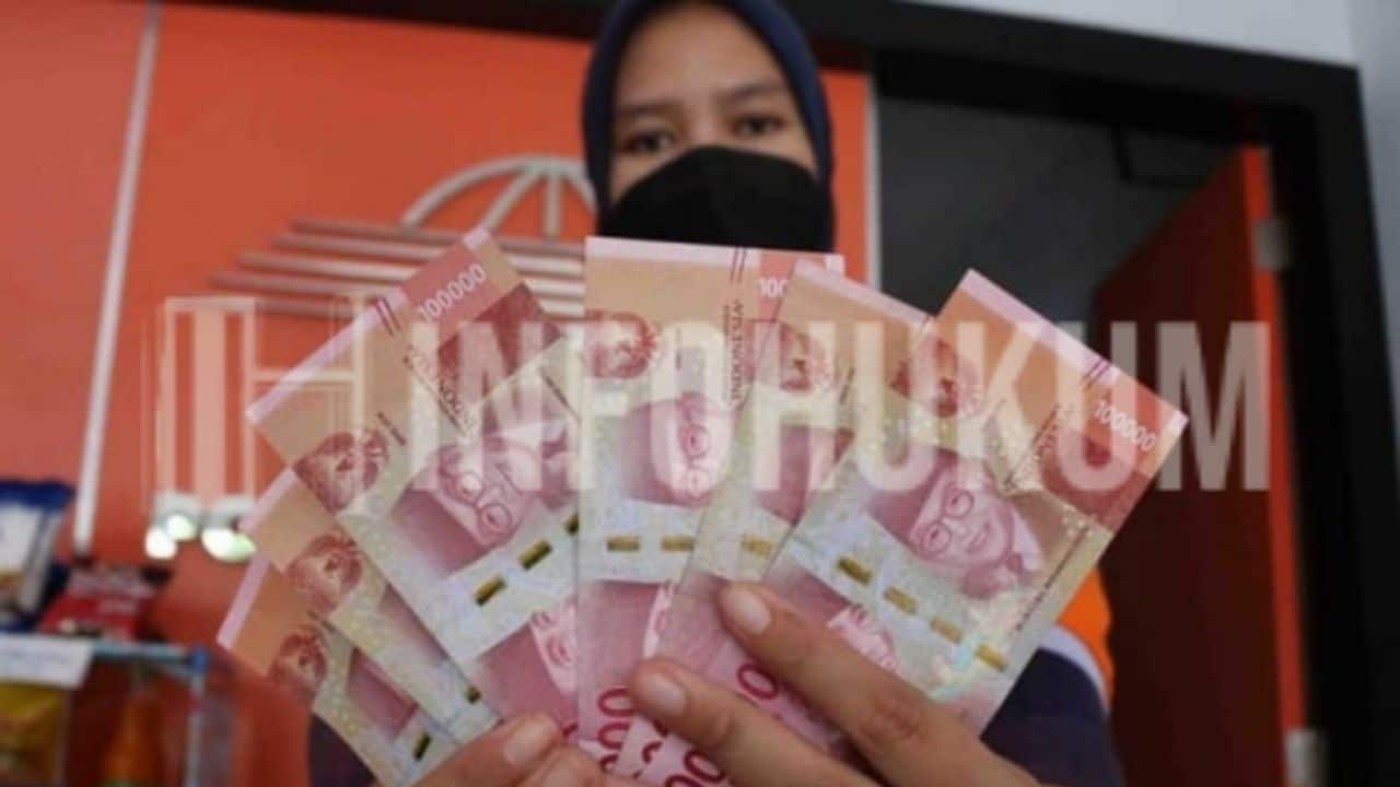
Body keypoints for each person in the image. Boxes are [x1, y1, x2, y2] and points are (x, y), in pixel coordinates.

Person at [313, 1, 1121, 784]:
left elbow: (1059, 741)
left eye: (756, 123)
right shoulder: (519, 452)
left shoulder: (977, 477)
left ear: (821, 166)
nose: (705, 163)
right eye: (650, 138)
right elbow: (363, 724)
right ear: (605, 188)